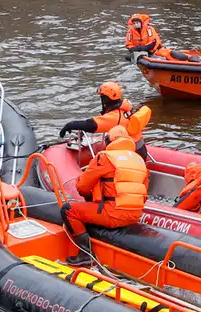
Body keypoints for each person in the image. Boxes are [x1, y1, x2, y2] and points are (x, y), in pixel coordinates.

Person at [62, 126, 148, 265]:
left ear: (108, 141)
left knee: (68, 210)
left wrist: (89, 199)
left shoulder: (105, 158)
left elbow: (82, 186)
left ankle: (85, 253)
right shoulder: (139, 161)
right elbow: (144, 194)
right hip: (135, 215)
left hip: (112, 214)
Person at [58, 82, 152, 154]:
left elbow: (90, 125)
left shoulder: (114, 118)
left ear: (106, 99)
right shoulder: (126, 108)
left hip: (131, 153)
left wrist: (69, 125)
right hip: (140, 150)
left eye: (102, 98)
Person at [124, 13, 201, 62]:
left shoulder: (149, 29)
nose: (136, 24)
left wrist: (140, 48)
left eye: (137, 22)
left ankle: (194, 60)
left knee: (174, 54)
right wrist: (138, 49)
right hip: (143, 53)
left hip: (155, 51)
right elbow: (129, 46)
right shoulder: (130, 33)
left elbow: (152, 44)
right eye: (134, 23)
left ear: (141, 22)